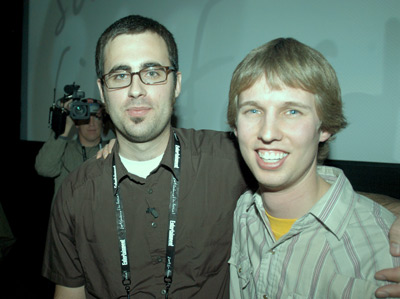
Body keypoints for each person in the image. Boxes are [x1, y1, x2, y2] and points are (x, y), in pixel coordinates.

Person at [42, 15, 400, 299]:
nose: (136, 89)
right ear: (103, 91)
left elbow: (306, 188)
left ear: (177, 83)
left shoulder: (230, 157)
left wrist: (392, 220)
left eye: (152, 72)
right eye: (120, 75)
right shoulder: (76, 190)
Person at [227, 37, 400, 298]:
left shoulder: (384, 246)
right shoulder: (243, 215)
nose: (268, 132)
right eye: (253, 111)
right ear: (236, 126)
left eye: (292, 111)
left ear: (325, 127)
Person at [35, 99, 109, 197]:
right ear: (77, 123)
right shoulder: (63, 149)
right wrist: (64, 127)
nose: (92, 123)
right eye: (86, 117)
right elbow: (43, 168)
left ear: (102, 122)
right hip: (66, 211)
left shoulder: (111, 149)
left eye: (97, 117)